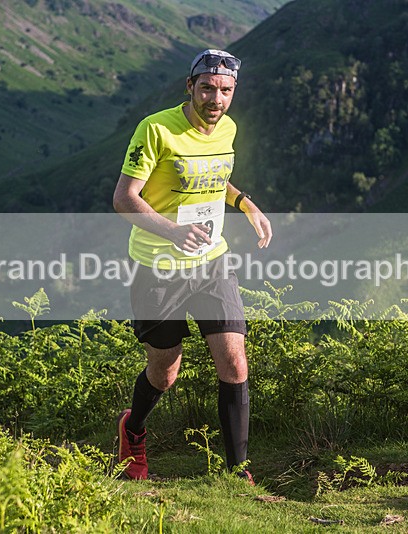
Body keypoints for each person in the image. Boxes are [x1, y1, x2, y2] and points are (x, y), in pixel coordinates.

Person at [112, 49, 272, 483]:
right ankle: (133, 429)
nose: (215, 99)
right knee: (165, 371)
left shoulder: (228, 129)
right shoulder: (157, 129)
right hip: (158, 266)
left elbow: (214, 179)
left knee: (235, 361)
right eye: (207, 88)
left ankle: (237, 473)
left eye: (225, 91)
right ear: (190, 87)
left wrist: (246, 203)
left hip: (212, 261)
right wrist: (172, 232)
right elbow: (124, 198)